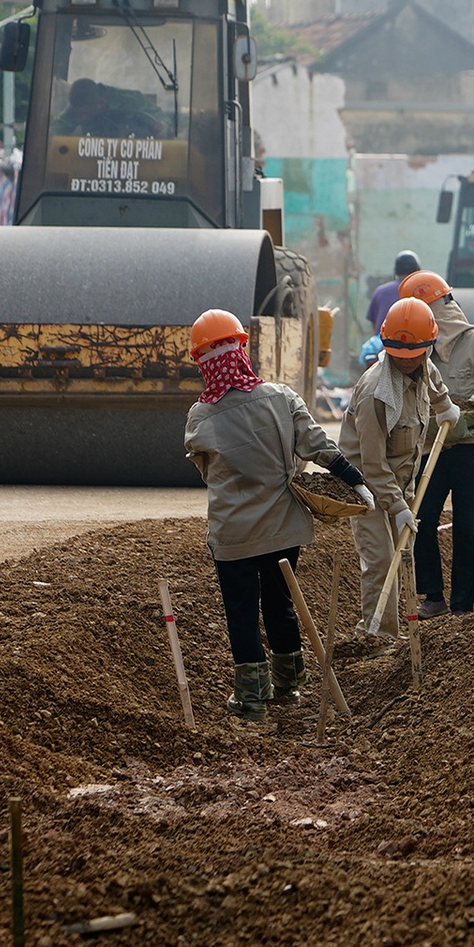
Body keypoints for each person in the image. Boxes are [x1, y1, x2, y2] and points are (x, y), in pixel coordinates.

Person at [182, 309, 371, 729]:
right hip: (284, 528)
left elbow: (205, 470)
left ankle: (252, 699)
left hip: (235, 536)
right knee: (281, 601)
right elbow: (317, 445)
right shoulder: (282, 397)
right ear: (243, 350)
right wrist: (353, 479)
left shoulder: (201, 416)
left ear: (202, 361)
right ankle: (290, 683)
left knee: (241, 609)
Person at [338, 297, 459, 654]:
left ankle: (391, 631)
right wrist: (396, 505)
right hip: (367, 487)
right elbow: (372, 465)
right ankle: (378, 641)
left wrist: (445, 407)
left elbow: (434, 383)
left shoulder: (422, 367)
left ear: (427, 348)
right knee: (380, 560)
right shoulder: (377, 392)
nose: (406, 360)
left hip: (399, 481)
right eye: (399, 354)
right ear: (387, 345)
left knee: (401, 555)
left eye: (415, 354)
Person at [398, 271, 474, 618]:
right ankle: (433, 597)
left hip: (473, 445)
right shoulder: (420, 350)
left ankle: (463, 607)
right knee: (421, 518)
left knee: (468, 526)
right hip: (431, 446)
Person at [365, 251, 422, 334]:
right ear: (417, 270)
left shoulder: (380, 291)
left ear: (396, 270)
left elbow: (374, 324)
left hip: (383, 343)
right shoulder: (422, 292)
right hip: (414, 344)